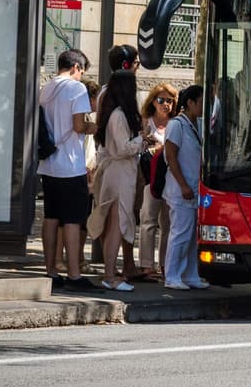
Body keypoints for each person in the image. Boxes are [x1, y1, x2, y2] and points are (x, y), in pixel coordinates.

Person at [38, 49, 97, 292]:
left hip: (49, 162)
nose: (82, 76)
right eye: (82, 70)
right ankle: (74, 274)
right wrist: (96, 126)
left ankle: (51, 270)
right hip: (70, 164)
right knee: (73, 219)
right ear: (75, 67)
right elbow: (78, 125)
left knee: (51, 218)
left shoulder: (47, 87)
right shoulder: (76, 88)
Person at [90, 70, 143, 292]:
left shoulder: (111, 113)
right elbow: (122, 149)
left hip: (115, 171)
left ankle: (110, 273)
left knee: (114, 224)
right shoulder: (119, 115)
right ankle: (110, 275)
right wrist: (141, 140)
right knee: (116, 225)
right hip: (120, 172)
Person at [163, 85, 210, 290]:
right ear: (190, 102)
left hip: (194, 187)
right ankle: (172, 275)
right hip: (180, 188)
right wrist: (182, 184)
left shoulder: (196, 124)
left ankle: (190, 274)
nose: (203, 106)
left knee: (192, 236)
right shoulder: (177, 125)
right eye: (200, 102)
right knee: (180, 233)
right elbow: (171, 156)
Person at [138, 83, 177, 279]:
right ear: (153, 101)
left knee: (168, 224)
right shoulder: (146, 122)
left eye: (170, 101)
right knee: (148, 221)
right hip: (151, 178)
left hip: (171, 178)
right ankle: (146, 265)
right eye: (161, 100)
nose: (165, 104)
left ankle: (165, 264)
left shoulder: (176, 123)